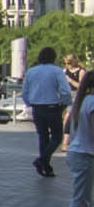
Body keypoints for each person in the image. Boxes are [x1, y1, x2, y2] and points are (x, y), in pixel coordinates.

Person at [52, 71, 94, 207]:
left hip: (79, 154)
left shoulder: (83, 101)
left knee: (86, 205)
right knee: (79, 204)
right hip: (86, 156)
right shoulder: (92, 103)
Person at [24, 47, 75, 178]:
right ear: (53, 57)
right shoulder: (56, 71)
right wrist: (64, 104)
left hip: (37, 108)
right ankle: (42, 161)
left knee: (43, 137)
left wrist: (30, 103)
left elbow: (25, 92)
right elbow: (65, 90)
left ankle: (46, 166)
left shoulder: (31, 71)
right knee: (57, 136)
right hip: (52, 107)